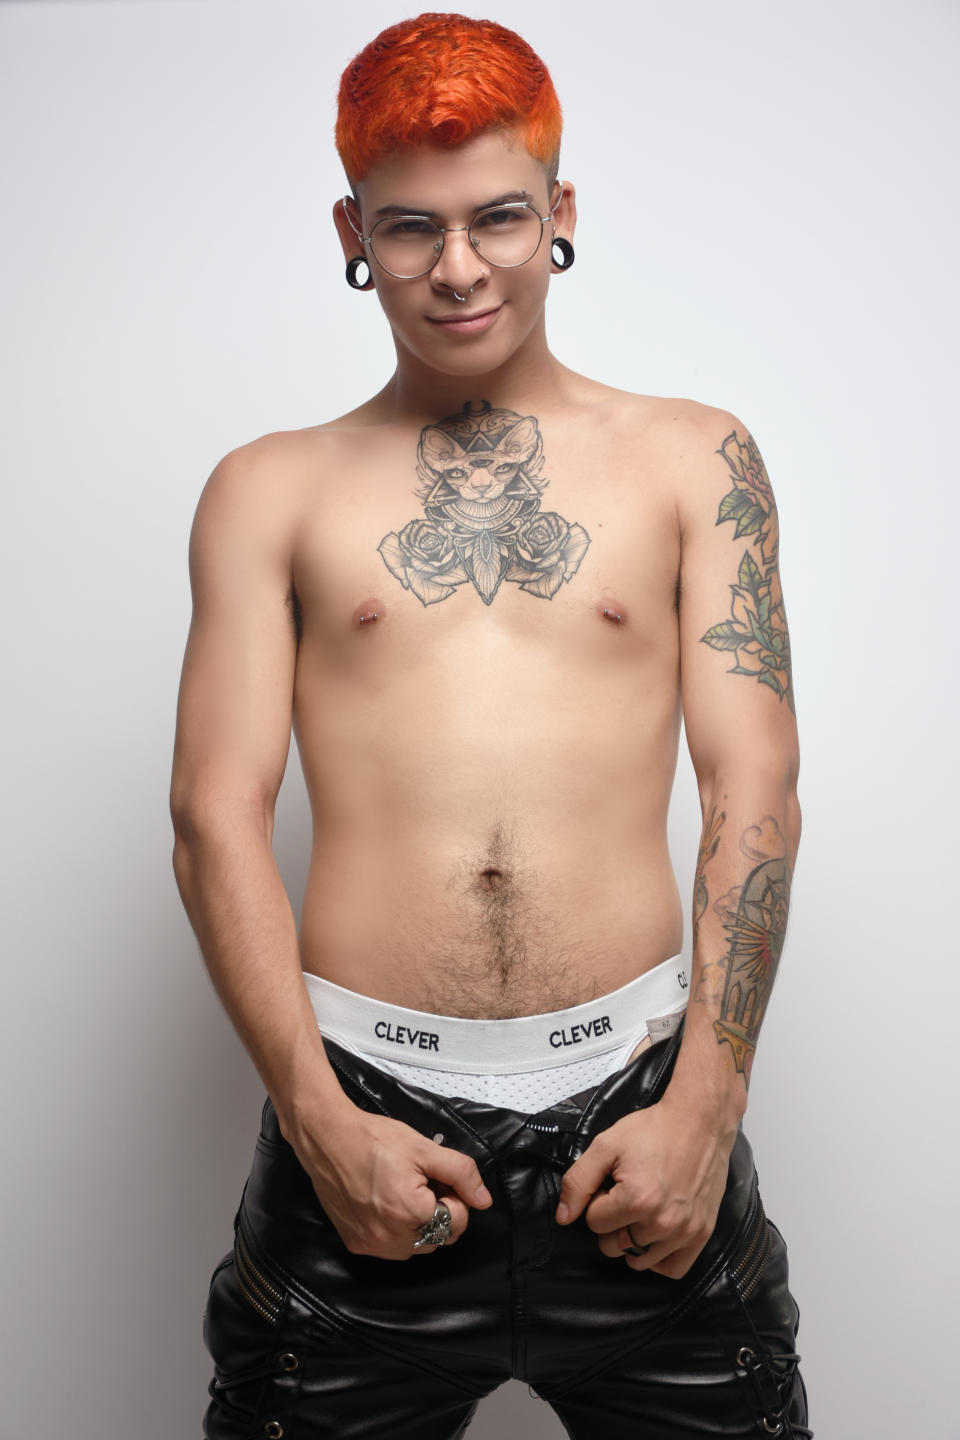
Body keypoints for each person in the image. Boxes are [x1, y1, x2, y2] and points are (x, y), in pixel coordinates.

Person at [170, 12, 809, 1438]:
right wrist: (322, 1126)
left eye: (498, 218)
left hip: (645, 1122)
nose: (458, 268)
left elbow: (754, 787)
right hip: (364, 1127)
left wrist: (705, 1107)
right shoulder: (268, 490)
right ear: (354, 232)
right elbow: (212, 815)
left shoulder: (694, 458)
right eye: (412, 227)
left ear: (559, 212)